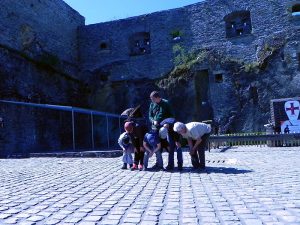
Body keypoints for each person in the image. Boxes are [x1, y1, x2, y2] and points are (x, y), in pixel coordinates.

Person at [149, 91, 178, 170]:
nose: (152, 101)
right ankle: (158, 163)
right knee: (157, 146)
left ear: (158, 97)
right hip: (155, 128)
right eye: (151, 99)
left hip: (166, 128)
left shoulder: (166, 103)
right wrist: (152, 121)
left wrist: (168, 123)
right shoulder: (152, 104)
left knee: (169, 146)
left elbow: (172, 115)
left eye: (153, 99)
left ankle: (171, 165)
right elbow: (150, 116)